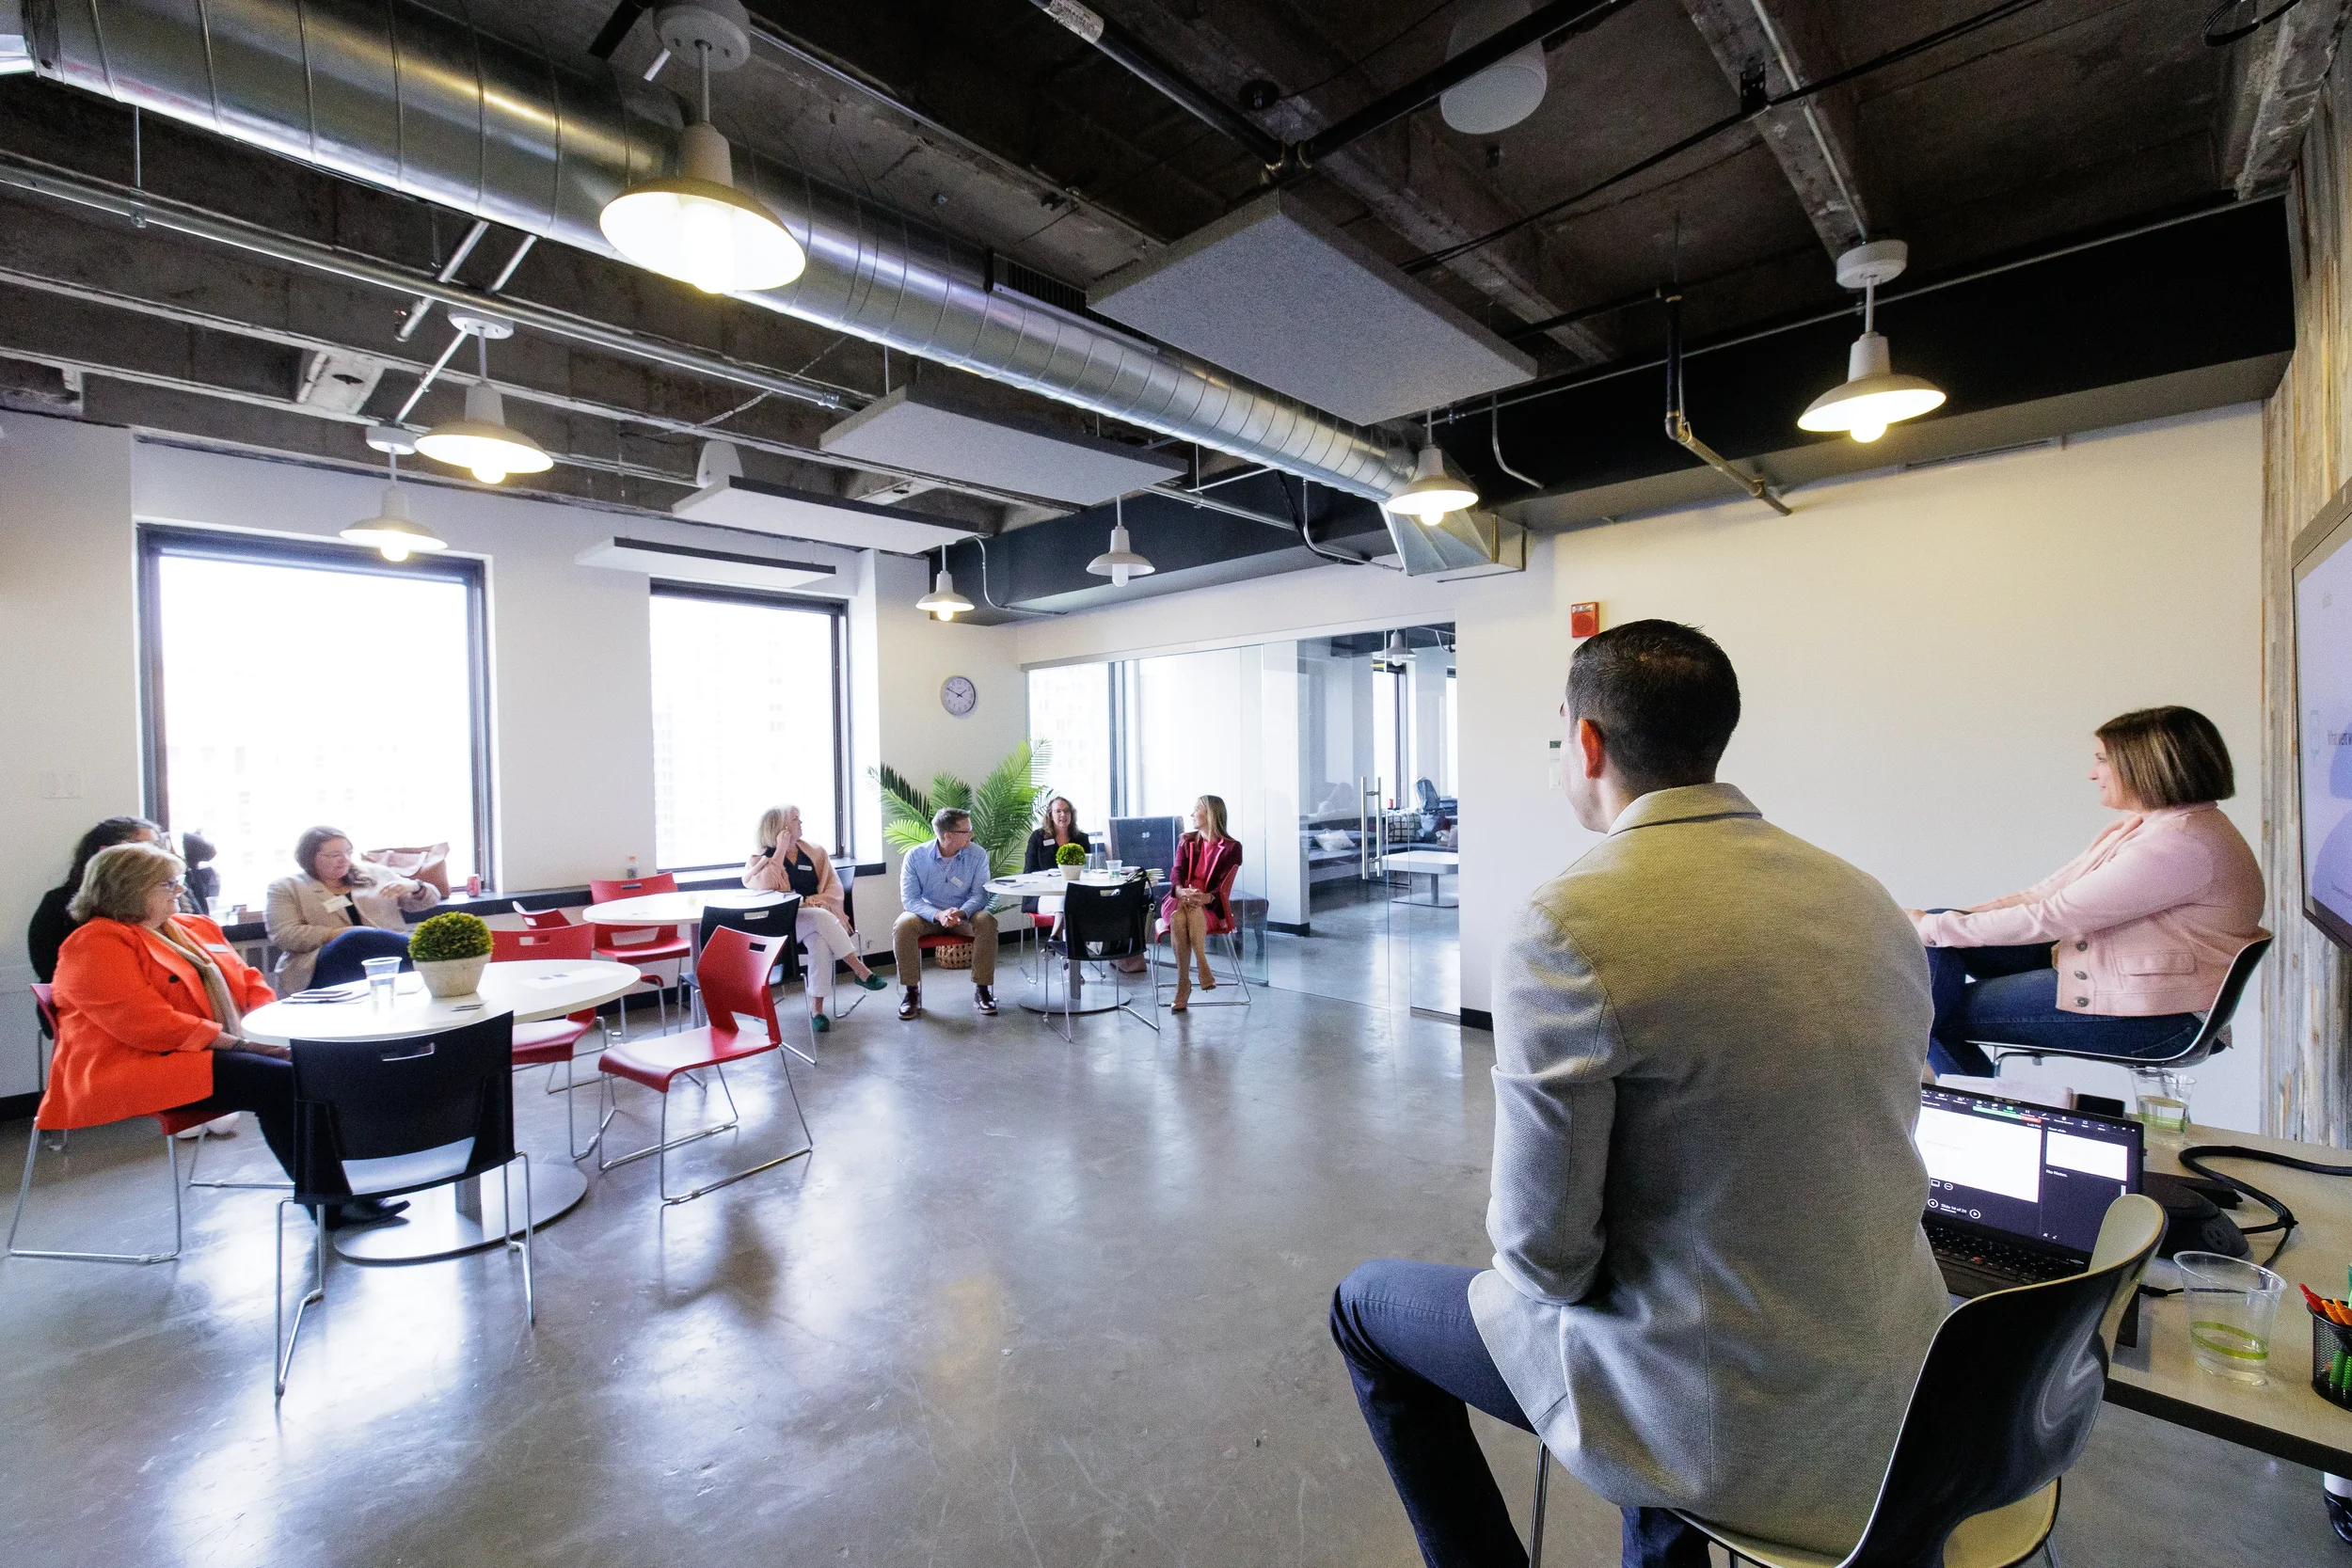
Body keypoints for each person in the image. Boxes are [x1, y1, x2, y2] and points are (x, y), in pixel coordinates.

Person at [1330, 620, 1944, 1568]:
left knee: (1365, 1305)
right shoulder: (1862, 896)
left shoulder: (1567, 922)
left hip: (1723, 1414)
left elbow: (1544, 1259)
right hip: (1903, 1389)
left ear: (1586, 742)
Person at [44, 842, 402, 1227]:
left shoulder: (191, 927)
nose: (180, 891)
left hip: (205, 1050)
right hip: (136, 1065)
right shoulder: (95, 942)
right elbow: (148, 1024)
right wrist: (249, 1045)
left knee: (319, 1065)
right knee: (280, 1082)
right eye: (168, 884)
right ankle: (330, 1202)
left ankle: (344, 1186)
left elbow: (249, 983)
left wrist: (273, 1033)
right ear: (129, 889)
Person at [1910, 705, 2265, 1078]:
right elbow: (2044, 895)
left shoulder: (2180, 845)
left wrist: (1930, 928)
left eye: (2101, 759)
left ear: (2145, 763)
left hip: (2163, 1018)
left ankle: (1975, 1119)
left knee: (1926, 1014)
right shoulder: (2149, 826)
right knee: (1937, 941)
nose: (2092, 773)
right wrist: (1938, 924)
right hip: (2128, 982)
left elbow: (2054, 916)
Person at [742, 804, 888, 1033]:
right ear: (781, 828)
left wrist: (813, 901)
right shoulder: (759, 860)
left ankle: (817, 1010)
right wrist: (780, 851)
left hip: (814, 921)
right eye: (795, 819)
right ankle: (859, 969)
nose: (801, 823)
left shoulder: (814, 852)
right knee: (820, 916)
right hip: (782, 927)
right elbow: (767, 884)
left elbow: (834, 887)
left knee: (820, 941)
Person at [266, 825, 440, 994]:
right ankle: (429, 956)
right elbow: (284, 935)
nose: (345, 860)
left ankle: (436, 960)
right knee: (355, 938)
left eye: (348, 852)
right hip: (321, 964)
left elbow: (430, 900)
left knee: (434, 938)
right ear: (309, 857)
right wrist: (337, 934)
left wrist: (414, 886)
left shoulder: (377, 874)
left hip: (388, 956)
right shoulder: (286, 887)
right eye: (334, 855)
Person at [26, 816, 162, 985]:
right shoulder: (59, 903)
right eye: (144, 848)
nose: (156, 857)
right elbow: (52, 970)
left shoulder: (169, 897)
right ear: (106, 854)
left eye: (157, 846)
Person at [894, 807, 998, 1020]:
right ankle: (911, 992)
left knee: (986, 920)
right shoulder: (915, 857)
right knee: (903, 925)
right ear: (948, 835)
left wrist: (960, 912)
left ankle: (982, 990)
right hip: (928, 915)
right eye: (967, 831)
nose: (972, 834)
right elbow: (910, 899)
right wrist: (939, 914)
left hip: (964, 914)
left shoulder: (978, 854)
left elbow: (980, 895)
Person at [1162, 795, 1242, 1012]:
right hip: (1177, 898)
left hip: (1209, 905)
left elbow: (1224, 885)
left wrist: (1206, 897)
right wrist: (1180, 891)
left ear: (1210, 814)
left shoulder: (1232, 848)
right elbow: (1177, 871)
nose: (1191, 815)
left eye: (1196, 809)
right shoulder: (1187, 840)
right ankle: (1203, 966)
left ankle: (1182, 985)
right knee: (1181, 911)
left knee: (1181, 919)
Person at [1021, 795, 1091, 918]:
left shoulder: (1081, 839)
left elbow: (1087, 870)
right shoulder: (1038, 837)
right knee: (1063, 901)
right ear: (1050, 815)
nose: (1063, 815)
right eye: (1058, 811)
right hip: (1043, 895)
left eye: (1066, 811)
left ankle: (1056, 936)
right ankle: (1058, 935)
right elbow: (1028, 872)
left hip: (1074, 892)